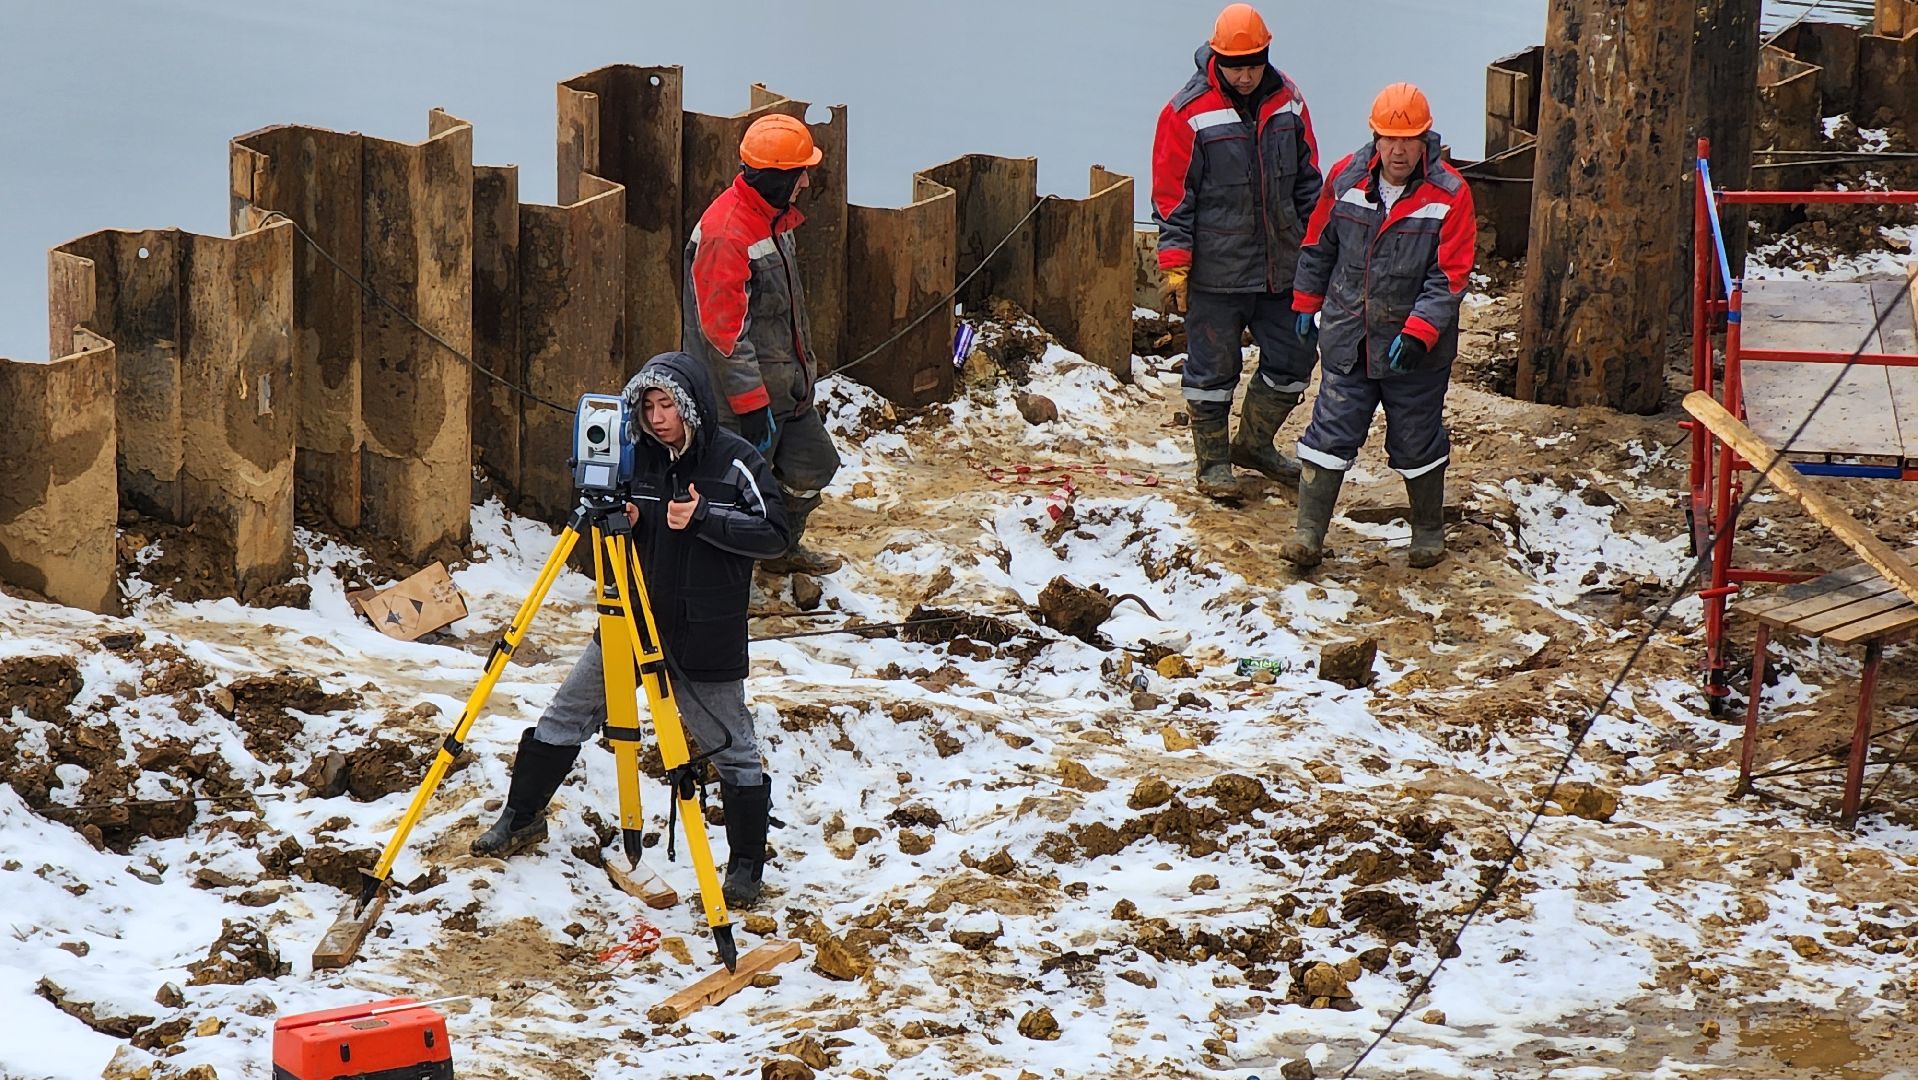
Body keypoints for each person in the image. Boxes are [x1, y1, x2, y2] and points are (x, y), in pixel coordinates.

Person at [472, 351, 791, 909]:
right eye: (648, 406)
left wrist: (704, 519)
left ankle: (745, 869)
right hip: (629, 619)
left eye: (668, 404)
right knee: (566, 715)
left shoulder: (733, 460)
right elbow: (614, 527)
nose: (658, 416)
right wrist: (630, 521)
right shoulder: (633, 459)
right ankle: (520, 818)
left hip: (701, 634)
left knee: (731, 747)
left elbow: (775, 532)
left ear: (690, 405)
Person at [1283, 83, 1477, 570]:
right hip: (1350, 336)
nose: (1397, 150)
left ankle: (1428, 530)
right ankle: (1308, 534)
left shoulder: (1450, 195)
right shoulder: (1346, 179)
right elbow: (1319, 244)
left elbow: (1449, 276)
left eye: (1408, 140)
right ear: (1375, 136)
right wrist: (1306, 301)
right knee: (1329, 432)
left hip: (1415, 352)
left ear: (1424, 139)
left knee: (1417, 439)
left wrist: (1419, 333)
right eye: (1389, 139)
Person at [1151, 2, 1325, 499]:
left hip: (1281, 269)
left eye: (1254, 64)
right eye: (1236, 66)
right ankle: (1212, 463)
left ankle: (1253, 444)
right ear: (1217, 60)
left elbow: (1310, 184)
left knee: (1295, 358)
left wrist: (1320, 251)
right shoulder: (1187, 113)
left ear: (1266, 57)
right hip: (1217, 273)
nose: (1245, 76)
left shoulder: (1288, 101)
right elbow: (1172, 198)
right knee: (1211, 370)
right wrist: (1175, 267)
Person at [682, 112, 843, 576]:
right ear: (776, 178)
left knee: (813, 465)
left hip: (785, 391)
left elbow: (780, 317)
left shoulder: (772, 220)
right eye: (800, 173)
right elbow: (723, 334)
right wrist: (751, 405)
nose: (807, 182)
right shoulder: (726, 234)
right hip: (738, 402)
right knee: (730, 495)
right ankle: (726, 583)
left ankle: (779, 549)